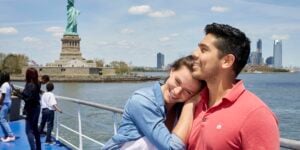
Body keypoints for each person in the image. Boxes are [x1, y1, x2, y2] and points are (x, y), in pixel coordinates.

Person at [188, 23, 280, 149]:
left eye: (204, 50)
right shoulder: (195, 101)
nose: (194, 54)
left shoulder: (256, 115)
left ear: (227, 61)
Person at [103, 55, 206, 150]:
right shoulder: (142, 101)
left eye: (188, 92)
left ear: (194, 95)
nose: (177, 92)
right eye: (177, 81)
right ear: (172, 71)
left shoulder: (180, 110)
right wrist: (189, 106)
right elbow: (173, 148)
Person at [20, 68, 42, 150]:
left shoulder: (29, 85)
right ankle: (39, 148)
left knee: (28, 130)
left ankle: (33, 148)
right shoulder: (38, 83)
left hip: (31, 109)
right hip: (37, 107)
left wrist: (19, 94)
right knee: (35, 129)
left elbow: (27, 98)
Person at [0, 71, 16, 142]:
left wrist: (0, 104)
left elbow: (3, 95)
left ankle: (11, 135)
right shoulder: (8, 84)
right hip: (8, 102)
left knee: (2, 119)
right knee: (2, 119)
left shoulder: (4, 85)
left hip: (5, 103)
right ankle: (6, 135)